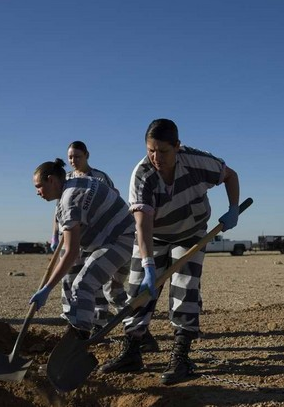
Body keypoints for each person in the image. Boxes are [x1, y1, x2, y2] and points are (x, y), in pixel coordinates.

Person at [100, 118, 240, 384]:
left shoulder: (198, 162)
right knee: (138, 290)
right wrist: (150, 266)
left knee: (185, 288)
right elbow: (142, 224)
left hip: (191, 232)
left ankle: (181, 357)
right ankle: (132, 351)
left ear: (177, 146)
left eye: (163, 151)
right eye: (151, 150)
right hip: (153, 235)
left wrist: (233, 208)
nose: (156, 157)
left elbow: (230, 176)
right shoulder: (142, 175)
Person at [50, 141, 158, 350]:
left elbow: (110, 202)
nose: (73, 161)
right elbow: (60, 212)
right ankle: (81, 326)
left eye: (77, 156)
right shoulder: (67, 179)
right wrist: (56, 234)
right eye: (70, 157)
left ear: (87, 155)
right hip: (82, 240)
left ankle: (111, 326)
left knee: (103, 286)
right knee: (73, 280)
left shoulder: (99, 177)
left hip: (108, 238)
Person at [29, 158, 135, 339]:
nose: (37, 192)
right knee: (70, 278)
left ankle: (80, 337)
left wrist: (47, 289)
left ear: (51, 180)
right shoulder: (77, 182)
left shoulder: (68, 202)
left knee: (84, 284)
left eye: (39, 186)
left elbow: (70, 252)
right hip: (106, 237)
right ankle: (76, 324)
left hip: (123, 239)